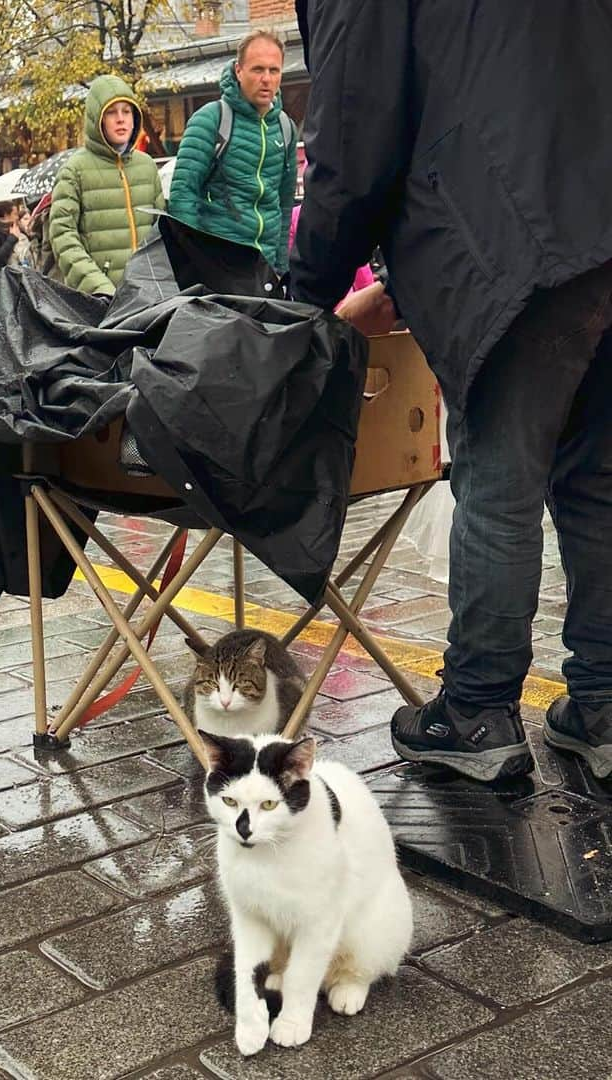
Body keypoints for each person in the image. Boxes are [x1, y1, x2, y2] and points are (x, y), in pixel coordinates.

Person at [290, 0, 612, 783]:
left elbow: (353, 137)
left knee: (498, 478)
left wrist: (303, 302)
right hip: (594, 213)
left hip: (516, 239)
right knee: (597, 477)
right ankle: (603, 705)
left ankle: (477, 711)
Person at [168, 30, 298, 276]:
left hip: (265, 271)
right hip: (218, 270)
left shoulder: (286, 128)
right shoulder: (211, 119)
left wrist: (280, 267)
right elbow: (182, 196)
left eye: (274, 70)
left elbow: (284, 204)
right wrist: (196, 263)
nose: (267, 79)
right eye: (257, 69)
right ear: (239, 71)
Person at [49, 74, 165, 298]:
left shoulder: (147, 166)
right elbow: (62, 236)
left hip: (150, 296)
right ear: (97, 119)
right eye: (111, 112)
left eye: (127, 111)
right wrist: (99, 288)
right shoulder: (74, 170)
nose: (121, 119)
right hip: (102, 300)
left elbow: (161, 230)